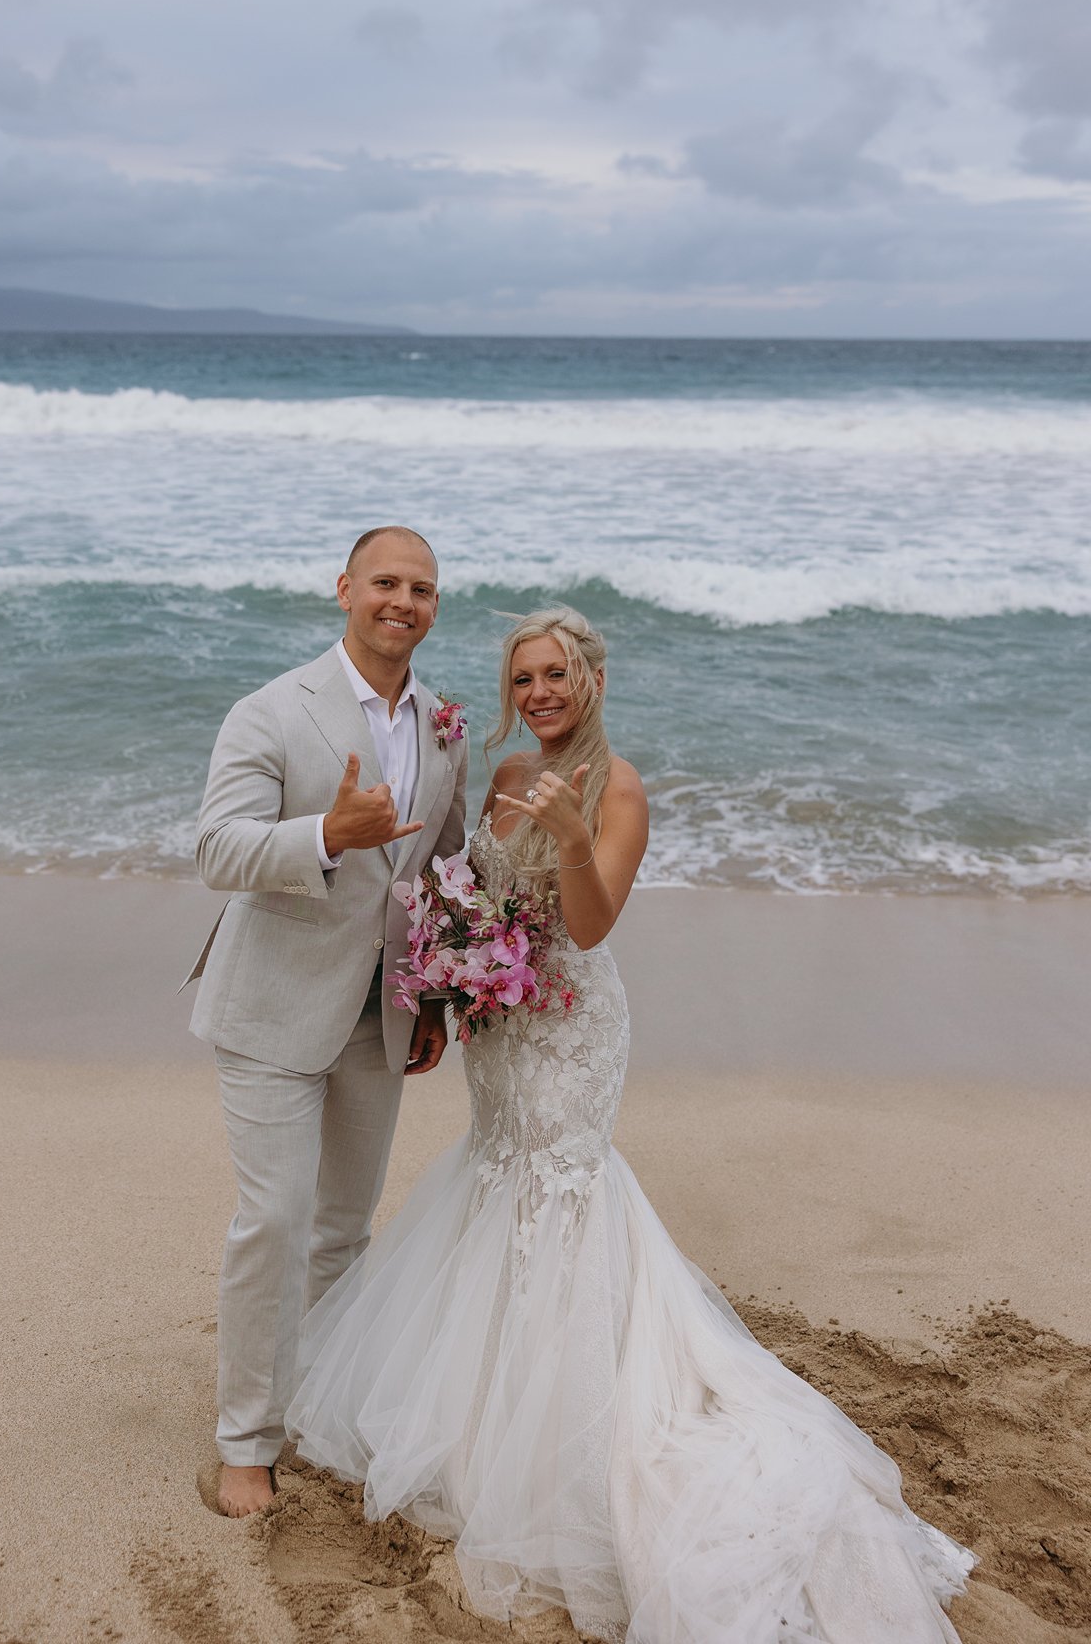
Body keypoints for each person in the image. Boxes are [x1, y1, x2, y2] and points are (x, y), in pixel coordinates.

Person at [285, 605, 975, 1642]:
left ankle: (556, 1420)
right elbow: (466, 888)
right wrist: (448, 974)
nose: (539, 694)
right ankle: (477, 1401)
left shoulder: (620, 786)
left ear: (593, 680)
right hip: (506, 1022)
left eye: (557, 675)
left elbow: (595, 920)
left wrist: (569, 837)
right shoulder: (508, 770)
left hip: (573, 1026)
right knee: (493, 1170)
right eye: (523, 679)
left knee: (558, 1184)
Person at [181, 527, 467, 1518]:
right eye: (386, 582)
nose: (404, 600)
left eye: (422, 589)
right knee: (276, 1221)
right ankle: (246, 1441)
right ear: (345, 588)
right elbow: (218, 849)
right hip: (272, 1008)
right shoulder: (273, 709)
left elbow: (443, 867)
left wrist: (435, 993)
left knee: (344, 1230)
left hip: (380, 1016)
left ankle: (318, 1409)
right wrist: (324, 836)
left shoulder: (443, 726)